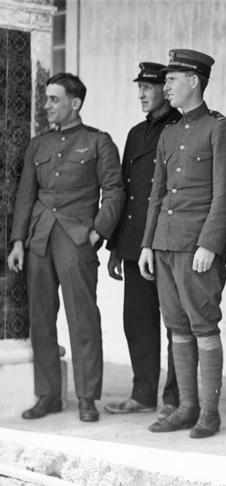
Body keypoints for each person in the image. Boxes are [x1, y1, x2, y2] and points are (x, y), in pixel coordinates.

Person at [7, 73, 124, 422]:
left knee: (82, 317)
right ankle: (48, 395)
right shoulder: (37, 145)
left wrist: (97, 232)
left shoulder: (98, 142)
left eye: (54, 99)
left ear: (75, 103)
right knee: (41, 318)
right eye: (46, 99)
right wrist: (17, 241)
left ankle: (87, 397)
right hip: (39, 239)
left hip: (76, 239)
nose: (47, 106)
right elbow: (26, 195)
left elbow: (115, 192)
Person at [139, 49, 226, 439]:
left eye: (172, 79)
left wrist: (210, 244)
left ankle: (209, 413)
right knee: (176, 327)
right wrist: (148, 243)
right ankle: (186, 406)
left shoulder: (219, 129)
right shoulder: (169, 133)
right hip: (165, 245)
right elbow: (157, 193)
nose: (165, 86)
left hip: (197, 247)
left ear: (194, 81)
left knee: (203, 325)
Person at [104, 62, 180, 419]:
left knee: (176, 323)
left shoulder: (182, 126)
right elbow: (126, 190)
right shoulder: (135, 133)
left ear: (165, 89)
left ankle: (176, 399)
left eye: (147, 87)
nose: (142, 94)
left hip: (168, 242)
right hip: (135, 244)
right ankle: (143, 393)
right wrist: (117, 247)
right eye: (139, 88)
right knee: (137, 319)